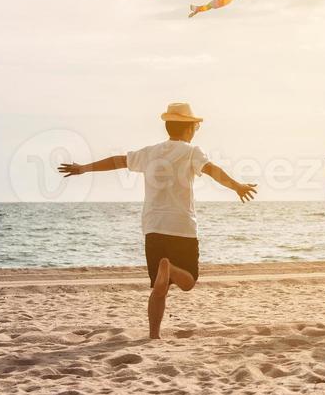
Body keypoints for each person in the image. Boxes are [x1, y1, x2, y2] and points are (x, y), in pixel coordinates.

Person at [58, 102, 257, 339]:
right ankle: (171, 269)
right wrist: (237, 186)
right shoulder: (192, 151)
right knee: (189, 281)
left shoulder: (150, 152)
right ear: (189, 128)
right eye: (195, 126)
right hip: (182, 227)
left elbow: (117, 161)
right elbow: (213, 170)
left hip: (153, 228)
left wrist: (83, 169)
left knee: (159, 288)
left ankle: (154, 335)